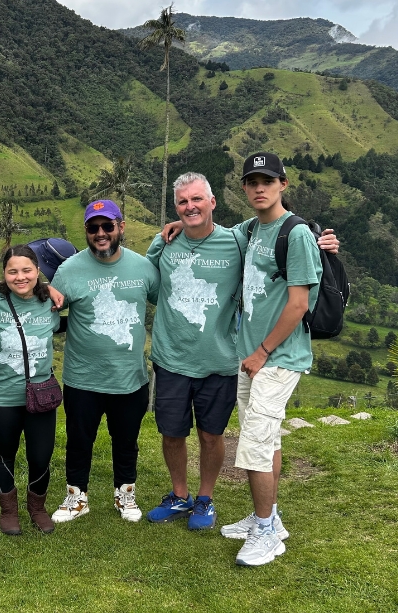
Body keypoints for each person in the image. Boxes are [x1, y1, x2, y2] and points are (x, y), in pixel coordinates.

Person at [147, 173, 339, 531]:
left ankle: (205, 499)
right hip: (171, 357)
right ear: (176, 208)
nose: (190, 207)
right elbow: (153, 289)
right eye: (182, 202)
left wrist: (319, 243)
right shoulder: (165, 243)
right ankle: (179, 495)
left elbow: (281, 238)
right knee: (172, 433)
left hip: (220, 359)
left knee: (211, 434)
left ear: (213, 202)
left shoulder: (236, 241)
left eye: (197, 200)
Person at [222, 152, 323, 567]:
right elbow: (214, 231)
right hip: (253, 356)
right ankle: (270, 517)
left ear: (284, 183)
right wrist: (177, 225)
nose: (259, 188)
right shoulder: (252, 229)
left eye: (267, 180)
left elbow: (299, 304)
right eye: (252, 182)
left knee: (254, 445)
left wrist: (262, 352)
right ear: (244, 188)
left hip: (277, 358)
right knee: (266, 440)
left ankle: (265, 533)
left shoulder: (295, 234)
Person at [49, 199, 159, 524]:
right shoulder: (69, 270)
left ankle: (125, 495)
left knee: (126, 441)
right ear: (85, 231)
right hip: (83, 378)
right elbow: (45, 312)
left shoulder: (143, 268)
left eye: (107, 226)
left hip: (130, 376)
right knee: (79, 441)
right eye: (93, 227)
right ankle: (76, 497)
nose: (100, 233)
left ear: (120, 227)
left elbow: (166, 301)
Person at [0, 245, 64, 535]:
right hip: (3, 395)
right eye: (13, 271)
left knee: (41, 455)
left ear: (38, 272)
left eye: (27, 270)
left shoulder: (50, 303)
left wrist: (50, 289)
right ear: (3, 274)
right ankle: (9, 511)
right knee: (6, 453)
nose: (20, 276)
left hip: (41, 394)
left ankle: (37, 508)